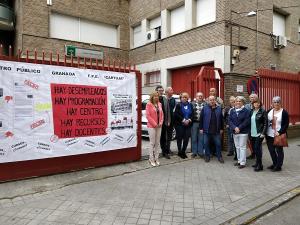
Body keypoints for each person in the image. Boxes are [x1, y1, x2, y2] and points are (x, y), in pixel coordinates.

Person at [266, 96, 289, 172]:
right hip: (269, 134)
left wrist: (280, 132)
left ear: (280, 103)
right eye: (274, 102)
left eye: (277, 102)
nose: (276, 103)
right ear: (272, 103)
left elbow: (286, 124)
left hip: (278, 135)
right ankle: (274, 163)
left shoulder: (284, 112)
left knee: (279, 151)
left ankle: (278, 166)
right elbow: (265, 120)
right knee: (271, 150)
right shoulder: (269, 110)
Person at [200, 95, 224, 163]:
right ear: (208, 101)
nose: (212, 101)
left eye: (213, 100)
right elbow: (201, 119)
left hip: (216, 131)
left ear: (215, 100)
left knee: (218, 144)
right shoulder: (205, 108)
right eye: (210, 100)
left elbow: (221, 119)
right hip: (206, 130)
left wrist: (221, 128)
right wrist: (201, 128)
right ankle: (207, 156)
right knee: (206, 143)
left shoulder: (219, 108)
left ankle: (219, 156)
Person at [229, 96, 250, 169]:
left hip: (243, 132)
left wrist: (239, 128)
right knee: (237, 147)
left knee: (242, 147)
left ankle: (243, 162)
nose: (238, 102)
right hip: (235, 131)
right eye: (236, 101)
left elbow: (246, 121)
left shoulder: (246, 111)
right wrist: (234, 127)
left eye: (239, 101)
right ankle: (239, 160)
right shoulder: (232, 110)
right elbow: (230, 120)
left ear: (243, 102)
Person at [146, 91, 164, 167]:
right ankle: (151, 159)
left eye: (157, 96)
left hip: (159, 126)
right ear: (152, 97)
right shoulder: (148, 104)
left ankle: (156, 158)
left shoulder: (160, 104)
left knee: (157, 143)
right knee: (152, 143)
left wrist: (160, 122)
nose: (156, 97)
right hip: (152, 126)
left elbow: (162, 114)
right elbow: (148, 116)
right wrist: (154, 124)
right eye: (155, 96)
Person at [174, 92, 193, 159]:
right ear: (180, 98)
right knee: (179, 138)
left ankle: (183, 151)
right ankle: (179, 152)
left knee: (186, 139)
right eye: (182, 97)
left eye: (185, 97)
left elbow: (192, 114)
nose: (184, 98)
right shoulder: (178, 105)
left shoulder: (190, 105)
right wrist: (183, 120)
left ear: (187, 98)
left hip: (188, 124)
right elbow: (176, 114)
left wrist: (189, 120)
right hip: (180, 125)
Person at [250, 99, 267, 172]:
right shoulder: (252, 111)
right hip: (252, 133)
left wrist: (263, 133)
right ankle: (257, 163)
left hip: (259, 133)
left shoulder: (263, 111)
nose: (256, 104)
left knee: (257, 149)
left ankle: (260, 165)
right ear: (253, 104)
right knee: (255, 149)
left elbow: (265, 123)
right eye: (255, 103)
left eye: (258, 103)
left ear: (260, 104)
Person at [155, 85, 170, 159]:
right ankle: (155, 153)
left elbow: (168, 111)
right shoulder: (154, 99)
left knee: (164, 138)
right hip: (155, 122)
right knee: (156, 138)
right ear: (156, 91)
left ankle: (164, 152)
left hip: (163, 122)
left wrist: (168, 121)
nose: (161, 91)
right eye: (159, 90)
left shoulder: (165, 99)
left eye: (162, 90)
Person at [191, 92, 206, 158]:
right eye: (198, 96)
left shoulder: (205, 104)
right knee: (194, 138)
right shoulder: (192, 104)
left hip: (202, 124)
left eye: (201, 96)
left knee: (201, 138)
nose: (200, 97)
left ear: (202, 97)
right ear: (196, 97)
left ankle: (200, 152)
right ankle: (194, 152)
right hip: (194, 123)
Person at [245, 93, 259, 160]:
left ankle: (258, 154)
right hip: (249, 127)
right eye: (251, 97)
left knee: (257, 142)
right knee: (251, 141)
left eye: (253, 97)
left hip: (257, 127)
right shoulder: (247, 106)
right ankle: (253, 153)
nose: (252, 99)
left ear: (256, 98)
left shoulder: (259, 105)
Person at [164, 87, 177, 156]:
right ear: (167, 92)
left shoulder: (173, 100)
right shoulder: (163, 99)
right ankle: (164, 150)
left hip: (171, 121)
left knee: (169, 136)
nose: (172, 91)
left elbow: (175, 110)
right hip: (164, 121)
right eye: (171, 90)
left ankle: (168, 149)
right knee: (164, 136)